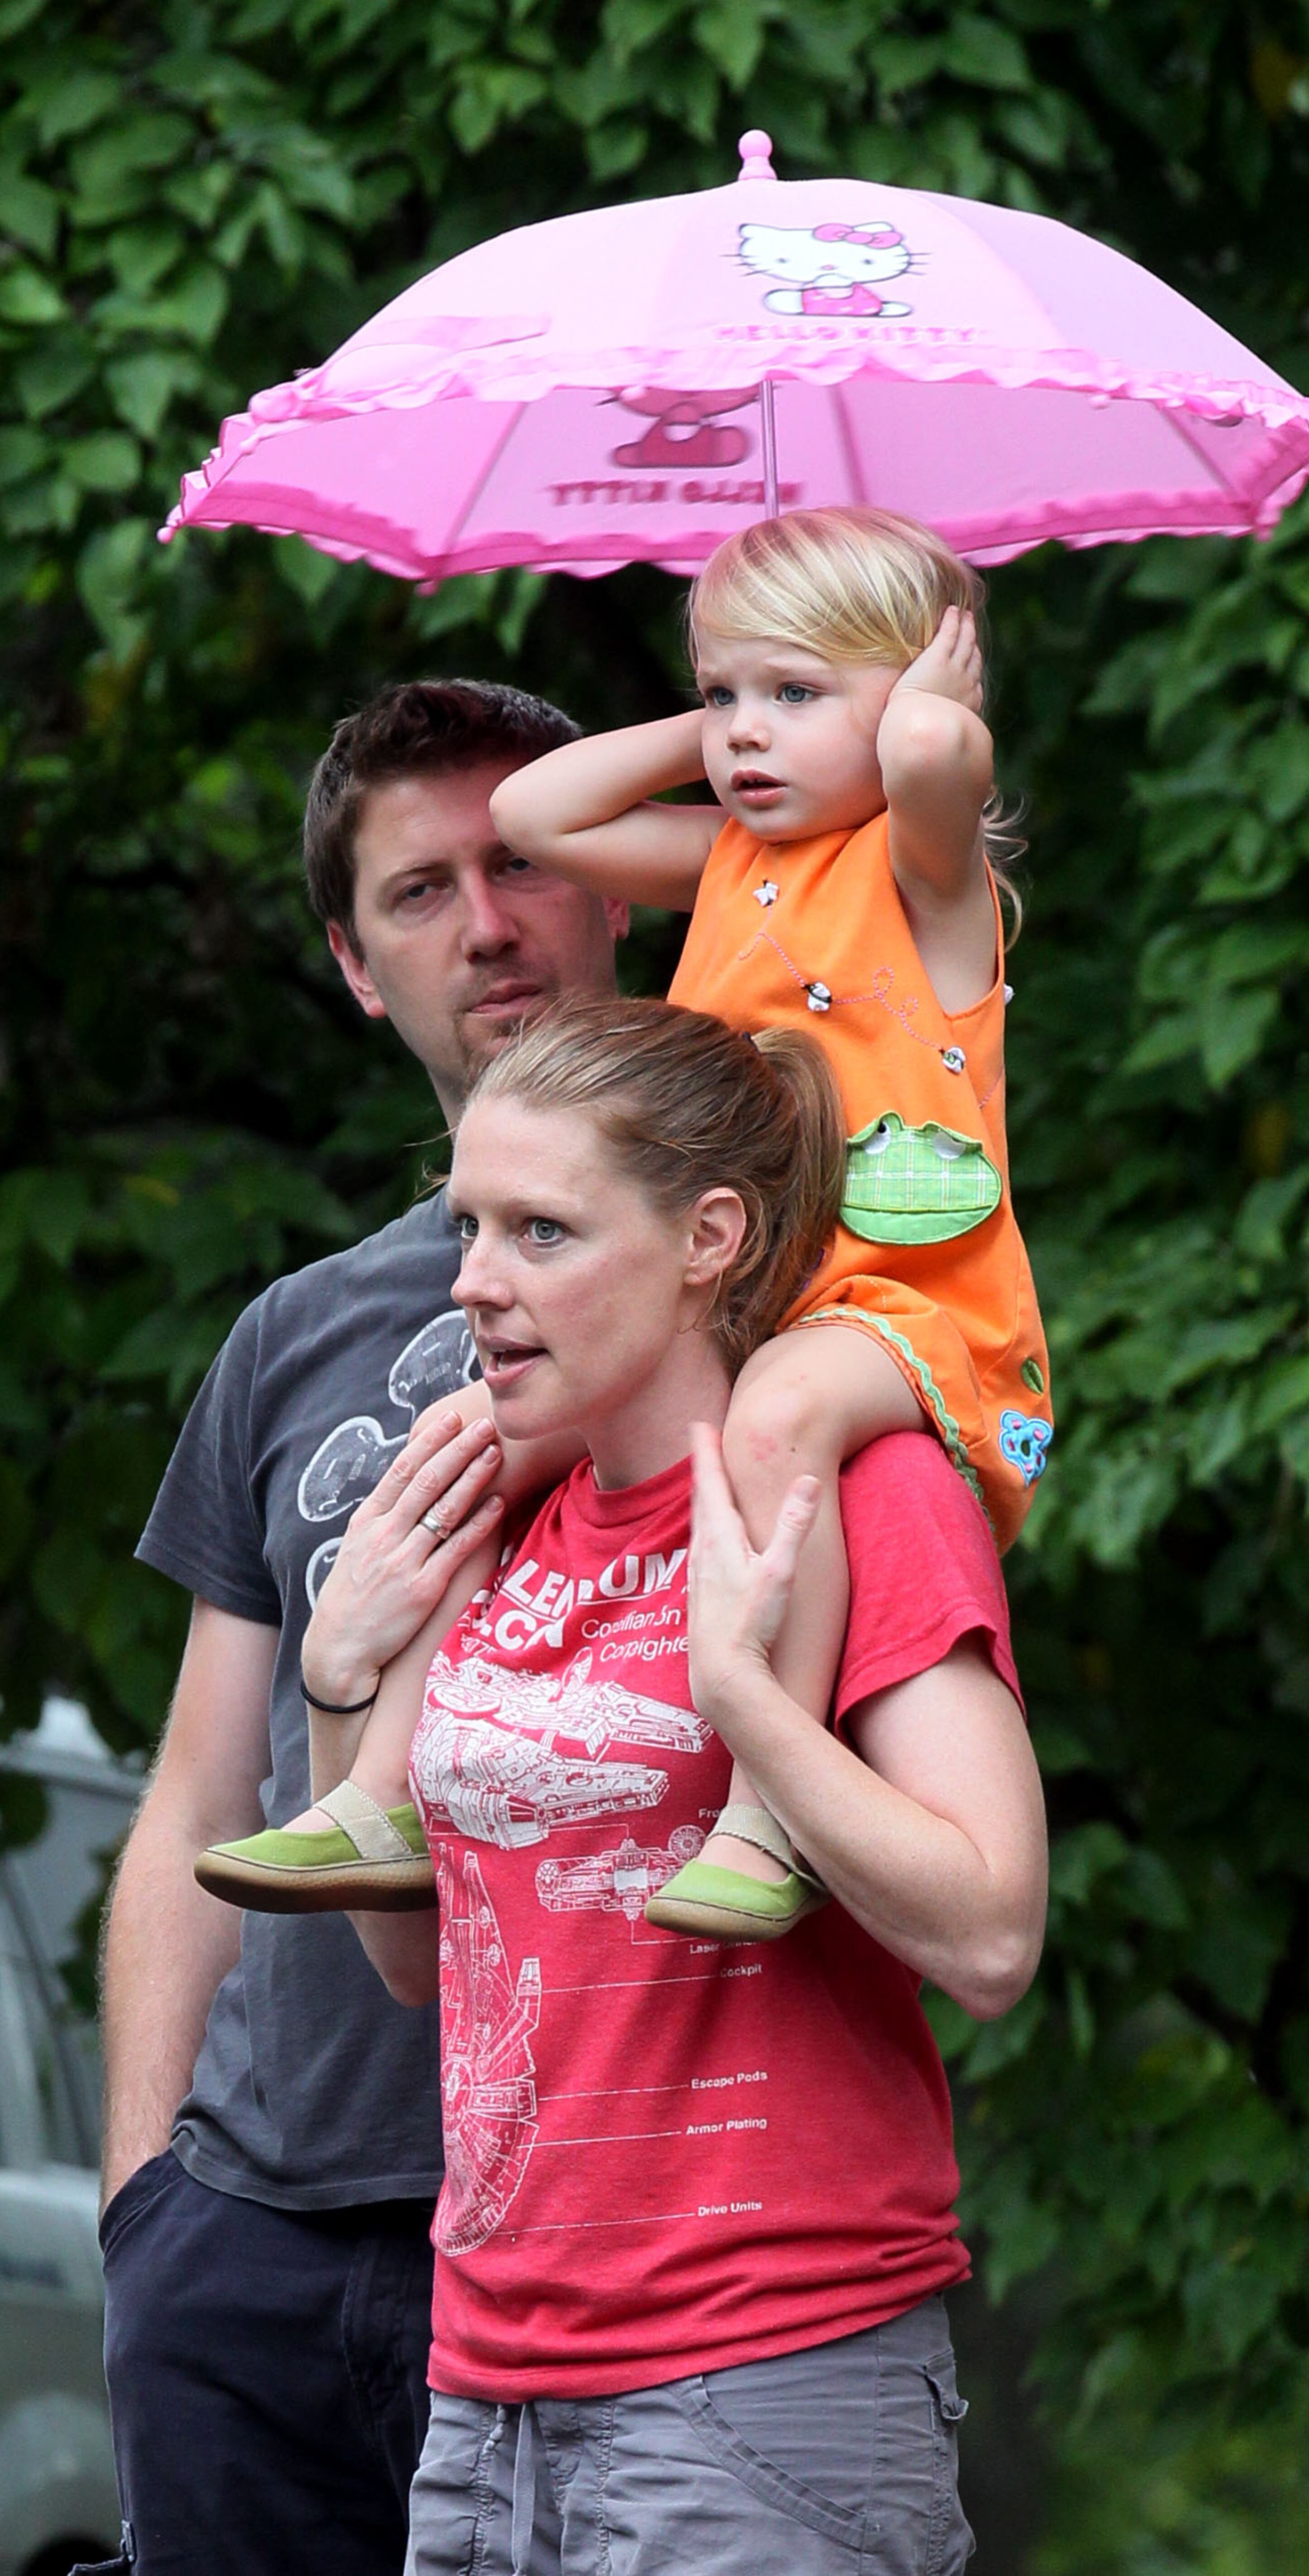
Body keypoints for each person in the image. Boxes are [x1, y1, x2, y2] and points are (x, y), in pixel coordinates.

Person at [209, 504, 1052, 1944]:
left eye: (794, 694)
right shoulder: (730, 858)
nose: (746, 732)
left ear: (909, 690)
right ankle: (387, 1794)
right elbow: (538, 812)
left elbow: (927, 763)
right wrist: (732, 720)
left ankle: (769, 1812)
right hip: (740, 1300)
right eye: (724, 693)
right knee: (474, 1444)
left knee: (781, 1423)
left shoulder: (924, 881)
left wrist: (921, 694)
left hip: (906, 1321)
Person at [298, 996, 1048, 2576]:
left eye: (542, 1232)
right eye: (471, 1227)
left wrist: (748, 1713)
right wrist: (338, 1688)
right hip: (486, 2394)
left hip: (761, 2388)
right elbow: (421, 1969)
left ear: (711, 1236)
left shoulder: (863, 1496)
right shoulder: (513, 1521)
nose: (475, 1283)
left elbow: (993, 1935)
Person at [96, 680, 628, 2576]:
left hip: (589, 2230)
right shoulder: (290, 1335)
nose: (486, 921)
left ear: (621, 884)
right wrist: (143, 2205)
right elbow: (189, 1798)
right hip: (249, 2240)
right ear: (352, 962)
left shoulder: (745, 1268)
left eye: (527, 859)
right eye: (419, 890)